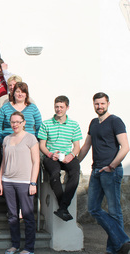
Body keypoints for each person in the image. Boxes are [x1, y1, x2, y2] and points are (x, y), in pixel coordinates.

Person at [78, 92, 130, 254]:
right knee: (93, 208)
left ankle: (113, 249)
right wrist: (74, 164)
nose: (99, 106)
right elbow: (86, 146)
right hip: (96, 171)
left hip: (111, 171)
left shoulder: (115, 121)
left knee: (114, 212)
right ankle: (122, 241)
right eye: (96, 104)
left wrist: (112, 166)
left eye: (102, 103)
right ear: (93, 105)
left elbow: (125, 146)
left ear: (108, 103)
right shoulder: (93, 123)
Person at [0, 111, 40, 254]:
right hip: (8, 181)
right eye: (13, 122)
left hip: (25, 182)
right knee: (12, 216)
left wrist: (33, 183)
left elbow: (36, 161)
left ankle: (29, 248)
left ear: (24, 123)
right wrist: (0, 181)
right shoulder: (7, 139)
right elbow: (4, 161)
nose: (15, 124)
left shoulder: (30, 138)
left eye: (18, 122)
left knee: (27, 216)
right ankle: (15, 245)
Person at [38, 96, 82, 221]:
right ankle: (63, 207)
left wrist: (71, 155)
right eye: (57, 106)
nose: (59, 109)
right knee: (54, 174)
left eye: (61, 107)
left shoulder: (74, 125)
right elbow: (42, 145)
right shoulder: (46, 124)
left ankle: (63, 207)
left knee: (75, 172)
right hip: (51, 156)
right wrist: (50, 154)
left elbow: (77, 146)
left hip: (68, 155)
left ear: (67, 107)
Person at [0, 82, 42, 146]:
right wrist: (0, 139)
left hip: (29, 144)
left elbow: (39, 126)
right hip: (9, 143)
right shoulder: (5, 107)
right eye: (17, 91)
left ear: (26, 94)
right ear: (13, 93)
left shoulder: (33, 108)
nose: (20, 94)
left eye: (23, 92)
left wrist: (36, 140)